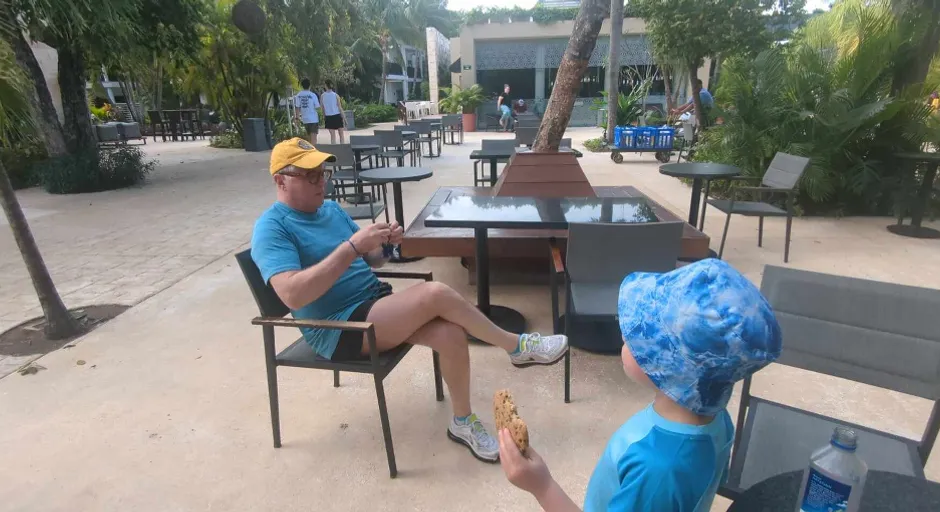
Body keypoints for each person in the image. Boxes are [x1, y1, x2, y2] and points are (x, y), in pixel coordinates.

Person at [251, 138, 570, 463]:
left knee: (450, 334)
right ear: (281, 180)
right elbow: (292, 293)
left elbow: (372, 260)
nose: (322, 182)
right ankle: (516, 346)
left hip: (374, 306)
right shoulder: (272, 228)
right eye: (311, 176)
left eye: (323, 173)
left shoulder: (330, 210)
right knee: (435, 293)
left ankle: (462, 422)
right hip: (337, 328)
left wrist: (386, 244)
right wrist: (351, 247)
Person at [499, 259, 783, 511]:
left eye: (637, 334)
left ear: (668, 367)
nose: (623, 332)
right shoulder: (717, 420)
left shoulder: (657, 469)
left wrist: (542, 486)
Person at [294, 78, 321, 144]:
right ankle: (314, 152)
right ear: (310, 85)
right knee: (314, 139)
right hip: (313, 119)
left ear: (302, 86)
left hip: (304, 119)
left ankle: (310, 152)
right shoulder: (313, 95)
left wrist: (297, 118)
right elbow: (317, 107)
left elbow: (297, 107)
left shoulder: (298, 95)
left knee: (308, 139)